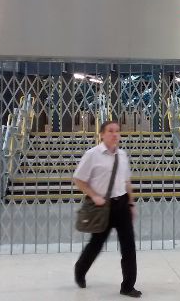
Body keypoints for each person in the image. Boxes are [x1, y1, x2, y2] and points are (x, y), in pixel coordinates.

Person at [73, 120, 142, 298]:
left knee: (128, 246)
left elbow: (127, 182)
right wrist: (94, 195)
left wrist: (131, 203)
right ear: (102, 134)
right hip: (103, 206)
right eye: (110, 131)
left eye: (117, 131)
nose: (114, 134)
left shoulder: (123, 155)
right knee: (96, 244)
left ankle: (128, 286)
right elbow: (79, 179)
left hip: (122, 204)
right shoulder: (92, 155)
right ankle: (80, 270)